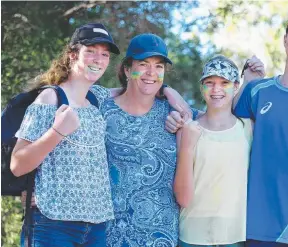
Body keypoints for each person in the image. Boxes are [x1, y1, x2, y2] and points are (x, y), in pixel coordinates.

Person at [165, 9, 288, 247]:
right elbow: (219, 120)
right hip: (259, 230)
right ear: (285, 40)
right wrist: (178, 109)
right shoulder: (258, 91)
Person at [11, 23, 120, 247]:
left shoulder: (96, 99)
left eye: (104, 54)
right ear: (72, 55)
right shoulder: (50, 98)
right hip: (53, 224)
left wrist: (169, 92)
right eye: (90, 51)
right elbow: (18, 164)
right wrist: (57, 131)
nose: (98, 59)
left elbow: (137, 88)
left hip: (96, 226)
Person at [89, 33, 189, 247]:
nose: (151, 73)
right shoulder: (100, 111)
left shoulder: (174, 115)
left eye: (159, 66)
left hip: (161, 239)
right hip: (106, 237)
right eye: (143, 64)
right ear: (126, 69)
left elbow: (215, 121)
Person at [174, 55, 255, 247]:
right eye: (209, 82)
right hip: (192, 237)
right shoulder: (187, 129)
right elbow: (182, 197)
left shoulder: (249, 128)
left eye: (224, 82)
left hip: (234, 237)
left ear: (236, 86)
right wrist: (187, 146)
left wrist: (253, 77)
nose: (216, 89)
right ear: (201, 87)